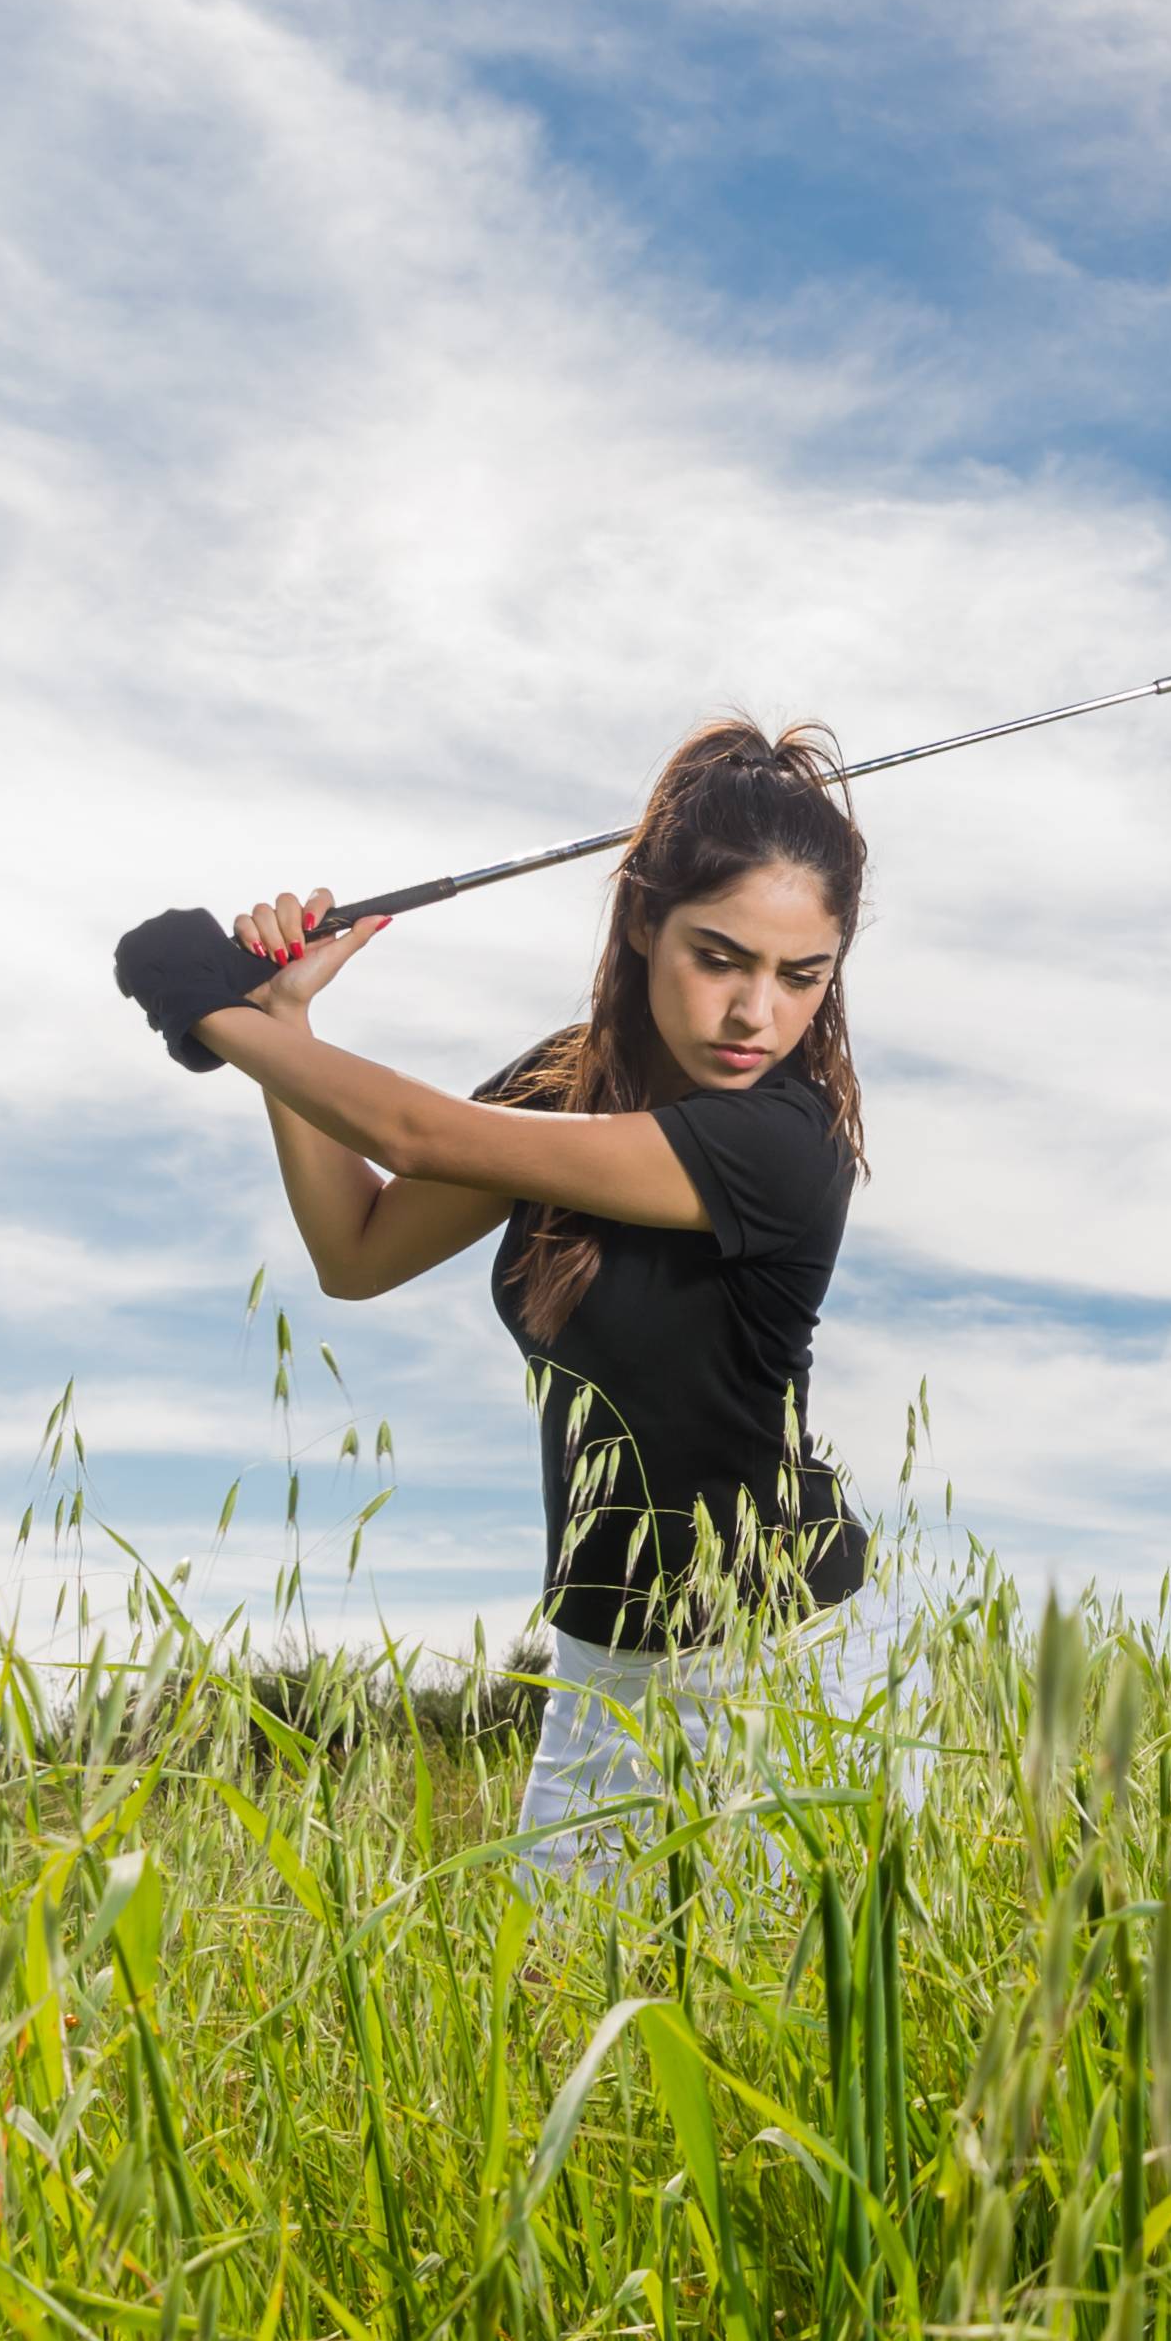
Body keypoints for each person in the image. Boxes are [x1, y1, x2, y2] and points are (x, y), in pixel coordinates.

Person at [132, 718, 897, 1889]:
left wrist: (207, 1011)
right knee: (569, 2027)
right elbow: (358, 1248)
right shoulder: (567, 1078)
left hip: (783, 1656)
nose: (757, 1015)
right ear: (643, 920)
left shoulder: (780, 1144)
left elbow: (412, 1130)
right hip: (600, 1660)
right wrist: (280, 1027)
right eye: (720, 957)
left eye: (802, 975)